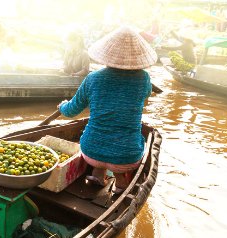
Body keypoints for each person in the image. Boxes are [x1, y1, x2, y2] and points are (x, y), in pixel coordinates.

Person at [57, 26, 157, 195]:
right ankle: (121, 184)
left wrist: (61, 106)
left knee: (100, 151)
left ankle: (97, 174)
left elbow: (71, 110)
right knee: (124, 154)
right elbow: (146, 94)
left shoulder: (93, 78)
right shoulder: (143, 79)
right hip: (126, 156)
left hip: (91, 150)